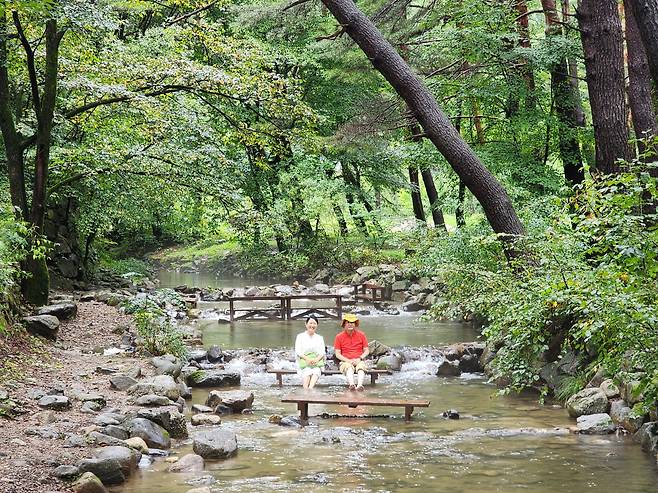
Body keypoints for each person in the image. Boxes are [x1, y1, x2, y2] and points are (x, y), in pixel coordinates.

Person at [334, 313, 369, 391]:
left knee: (361, 368)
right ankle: (352, 385)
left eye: (352, 322)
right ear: (344, 324)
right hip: (345, 361)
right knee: (349, 368)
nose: (350, 324)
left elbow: (366, 351)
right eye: (348, 322)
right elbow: (337, 354)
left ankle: (360, 385)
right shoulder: (339, 337)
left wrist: (359, 359)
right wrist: (348, 361)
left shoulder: (362, 335)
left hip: (359, 359)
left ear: (355, 324)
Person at [294, 315, 326, 389]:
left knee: (316, 371)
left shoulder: (319, 338)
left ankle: (310, 389)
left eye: (314, 323)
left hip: (316, 361)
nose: (312, 325)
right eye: (310, 323)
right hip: (304, 360)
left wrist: (316, 360)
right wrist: (307, 359)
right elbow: (298, 351)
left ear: (317, 325)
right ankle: (306, 389)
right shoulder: (300, 336)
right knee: (307, 371)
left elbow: (322, 352)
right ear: (306, 324)